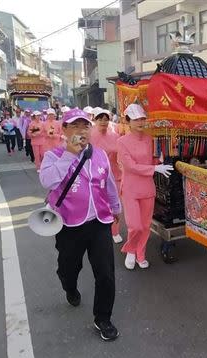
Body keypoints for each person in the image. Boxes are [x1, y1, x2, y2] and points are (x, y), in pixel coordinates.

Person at [39, 108, 121, 341]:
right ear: (64, 130)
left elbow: (109, 184)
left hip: (99, 223)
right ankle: (70, 287)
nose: (80, 131)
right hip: (69, 224)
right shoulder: (54, 155)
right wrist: (69, 155)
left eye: (84, 126)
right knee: (68, 268)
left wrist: (116, 208)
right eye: (74, 126)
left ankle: (103, 318)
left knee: (105, 273)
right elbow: (47, 180)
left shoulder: (100, 155)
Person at [117, 104, 173, 269]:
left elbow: (153, 160)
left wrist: (160, 160)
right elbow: (130, 166)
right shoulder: (122, 142)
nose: (140, 122)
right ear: (128, 121)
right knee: (135, 225)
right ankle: (131, 250)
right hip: (131, 189)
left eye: (142, 118)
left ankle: (140, 253)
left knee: (145, 225)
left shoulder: (150, 139)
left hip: (147, 188)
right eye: (136, 119)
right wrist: (154, 168)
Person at [90, 108, 123, 243]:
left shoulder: (115, 136)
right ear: (95, 120)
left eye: (106, 119)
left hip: (115, 175)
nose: (103, 122)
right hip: (95, 176)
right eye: (100, 119)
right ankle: (99, 230)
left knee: (114, 203)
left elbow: (121, 154)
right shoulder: (90, 135)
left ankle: (115, 231)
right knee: (99, 204)